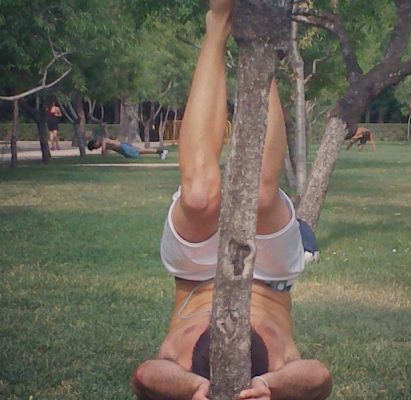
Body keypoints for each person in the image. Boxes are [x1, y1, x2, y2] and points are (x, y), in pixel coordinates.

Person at [130, 2, 332, 399]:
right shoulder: (277, 363)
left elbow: (145, 376)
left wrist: (193, 387)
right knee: (259, 196)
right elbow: (319, 378)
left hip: (195, 277)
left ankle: (218, 22)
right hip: (269, 275)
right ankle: (258, 45)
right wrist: (270, 385)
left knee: (199, 196)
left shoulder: (179, 359)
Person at [87, 137, 168, 160]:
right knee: (141, 151)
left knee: (141, 151)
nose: (96, 148)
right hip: (123, 149)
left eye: (95, 147)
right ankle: (160, 152)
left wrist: (103, 156)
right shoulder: (105, 143)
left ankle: (161, 151)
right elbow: (107, 151)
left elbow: (103, 150)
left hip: (124, 147)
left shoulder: (104, 140)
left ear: (95, 143)